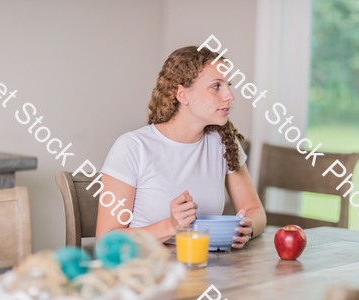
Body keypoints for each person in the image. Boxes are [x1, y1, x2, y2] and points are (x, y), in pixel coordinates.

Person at [95, 46, 266, 249]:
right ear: (182, 94)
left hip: (203, 270)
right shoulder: (132, 148)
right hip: (147, 272)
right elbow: (105, 243)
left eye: (228, 85)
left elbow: (254, 210)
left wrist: (247, 228)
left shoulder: (223, 142)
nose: (230, 95)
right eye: (216, 86)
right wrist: (170, 225)